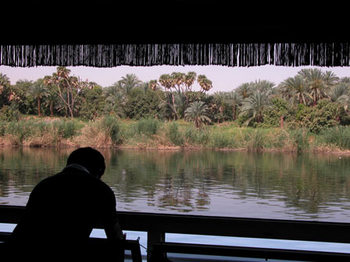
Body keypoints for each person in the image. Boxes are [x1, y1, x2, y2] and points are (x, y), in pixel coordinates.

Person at [9, 147, 124, 258]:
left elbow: (25, 226)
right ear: (98, 171)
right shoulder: (101, 190)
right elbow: (114, 235)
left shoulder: (44, 185)